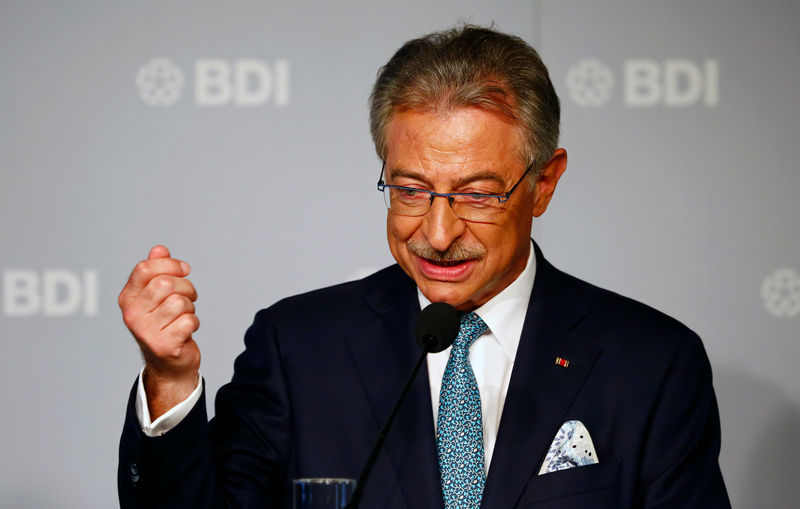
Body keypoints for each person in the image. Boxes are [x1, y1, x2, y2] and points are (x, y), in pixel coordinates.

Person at [117, 25, 731, 508]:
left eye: (478, 194)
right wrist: (169, 380)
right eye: (410, 190)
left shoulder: (651, 364)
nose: (437, 235)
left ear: (544, 183)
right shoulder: (298, 347)